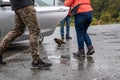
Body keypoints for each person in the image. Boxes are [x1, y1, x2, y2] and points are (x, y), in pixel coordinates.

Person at [0, 0, 52, 68]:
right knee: (34, 30)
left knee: (18, 30)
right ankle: (36, 61)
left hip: (17, 6)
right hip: (25, 5)